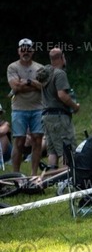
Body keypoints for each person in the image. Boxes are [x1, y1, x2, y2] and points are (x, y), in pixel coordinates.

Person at [37, 48, 80, 170]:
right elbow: (62, 95)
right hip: (59, 116)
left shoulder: (46, 74)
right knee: (67, 149)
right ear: (62, 57)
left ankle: (52, 176)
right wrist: (75, 106)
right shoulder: (59, 73)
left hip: (46, 116)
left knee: (52, 150)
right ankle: (67, 177)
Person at [6, 38, 44, 176]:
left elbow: (44, 86)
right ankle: (16, 175)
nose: (25, 52)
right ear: (19, 51)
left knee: (37, 140)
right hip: (19, 109)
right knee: (19, 141)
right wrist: (34, 84)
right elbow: (15, 86)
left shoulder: (40, 68)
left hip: (38, 108)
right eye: (23, 50)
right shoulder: (12, 67)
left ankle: (33, 174)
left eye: (28, 49)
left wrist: (26, 82)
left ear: (32, 51)